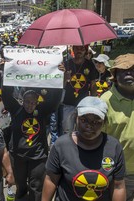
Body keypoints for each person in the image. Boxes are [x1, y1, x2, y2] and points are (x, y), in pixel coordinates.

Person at [42, 96, 126, 201]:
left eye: (96, 122)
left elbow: (118, 186)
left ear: (104, 122)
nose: (89, 126)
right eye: (83, 120)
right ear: (75, 118)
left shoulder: (114, 147)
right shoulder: (61, 145)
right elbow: (51, 180)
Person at [100, 53, 134, 200]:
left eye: (133, 69)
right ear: (114, 74)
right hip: (119, 173)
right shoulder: (105, 101)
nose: (129, 73)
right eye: (124, 70)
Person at [58, 45, 98, 135]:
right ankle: (68, 148)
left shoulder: (90, 65)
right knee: (67, 131)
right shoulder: (66, 64)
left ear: (85, 51)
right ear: (73, 50)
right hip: (68, 103)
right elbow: (61, 85)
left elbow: (93, 85)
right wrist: (64, 77)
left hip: (84, 104)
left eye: (82, 49)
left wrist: (93, 103)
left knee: (83, 131)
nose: (79, 50)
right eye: (77, 48)